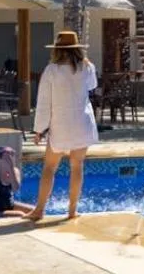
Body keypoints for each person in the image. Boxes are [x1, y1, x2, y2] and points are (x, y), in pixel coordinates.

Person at [25, 30, 97, 221]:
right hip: (82, 122)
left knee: (49, 167)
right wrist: (87, 64)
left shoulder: (52, 70)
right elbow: (92, 86)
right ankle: (72, 211)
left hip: (61, 124)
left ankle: (39, 210)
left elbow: (44, 102)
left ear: (57, 49)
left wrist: (39, 129)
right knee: (77, 166)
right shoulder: (86, 67)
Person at [0, 146, 34, 218]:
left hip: (11, 204)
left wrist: (11, 168)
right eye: (7, 156)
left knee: (34, 211)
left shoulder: (15, 171)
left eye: (12, 154)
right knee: (21, 214)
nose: (10, 158)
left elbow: (15, 188)